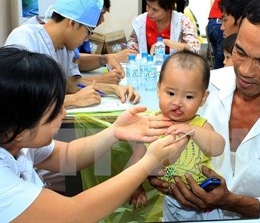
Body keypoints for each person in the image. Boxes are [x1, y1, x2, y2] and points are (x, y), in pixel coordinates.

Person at [149, 0, 260, 222]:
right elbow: (154, 142)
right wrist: (153, 174)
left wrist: (231, 202)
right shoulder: (197, 88)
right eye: (240, 51)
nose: (246, 71)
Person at [0, 45, 189, 222]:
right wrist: (148, 162)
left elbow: (67, 155)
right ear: (13, 129)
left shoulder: (17, 141)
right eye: (53, 112)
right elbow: (74, 213)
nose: (63, 113)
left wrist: (114, 131)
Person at [127, 50, 225, 221]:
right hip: (172, 202)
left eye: (188, 96)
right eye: (170, 93)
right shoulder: (152, 125)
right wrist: (135, 187)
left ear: (203, 98)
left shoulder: (199, 125)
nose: (177, 102)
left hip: (204, 201)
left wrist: (192, 131)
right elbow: (134, 163)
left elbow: (218, 147)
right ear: (158, 89)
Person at [5, 0, 140, 109]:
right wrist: (73, 100)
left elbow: (72, 84)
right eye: (89, 32)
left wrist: (114, 89)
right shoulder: (25, 39)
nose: (87, 39)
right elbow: (21, 101)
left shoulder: (65, 47)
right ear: (72, 23)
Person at [75, 0, 138, 85]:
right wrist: (100, 80)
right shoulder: (61, 41)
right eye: (101, 14)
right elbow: (68, 83)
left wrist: (106, 58)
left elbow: (77, 61)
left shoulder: (81, 32)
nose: (102, 20)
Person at [127, 0, 201, 55]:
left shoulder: (182, 22)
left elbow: (195, 48)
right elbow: (133, 41)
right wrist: (134, 52)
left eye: (155, 10)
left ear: (168, 9)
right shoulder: (141, 21)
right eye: (148, 6)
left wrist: (165, 42)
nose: (149, 12)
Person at [206, 0, 224, 69]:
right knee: (221, 57)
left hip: (211, 23)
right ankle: (219, 74)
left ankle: (217, 71)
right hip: (219, 23)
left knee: (217, 55)